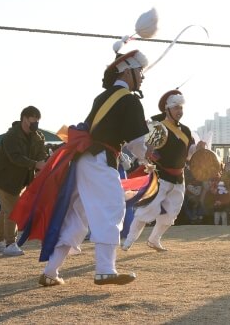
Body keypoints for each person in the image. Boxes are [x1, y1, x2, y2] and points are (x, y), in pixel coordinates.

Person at [14, 49, 151, 287]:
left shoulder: (103, 97)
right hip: (100, 160)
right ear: (127, 72)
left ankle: (51, 271)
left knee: (77, 217)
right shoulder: (129, 100)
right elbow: (138, 143)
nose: (142, 76)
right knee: (111, 207)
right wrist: (149, 157)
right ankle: (105, 270)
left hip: (84, 161)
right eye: (139, 71)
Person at [123, 89, 195, 251]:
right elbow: (147, 150)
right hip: (160, 176)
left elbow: (189, 155)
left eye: (181, 108)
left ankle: (154, 239)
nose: (179, 111)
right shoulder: (157, 126)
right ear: (167, 108)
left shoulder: (186, 130)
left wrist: (197, 151)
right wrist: (149, 153)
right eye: (176, 107)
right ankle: (129, 240)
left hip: (179, 177)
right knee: (147, 209)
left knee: (172, 212)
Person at [0, 106, 48, 255]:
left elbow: (41, 153)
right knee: (13, 210)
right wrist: (35, 164)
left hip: (20, 180)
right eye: (33, 118)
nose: (36, 121)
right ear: (24, 119)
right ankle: (10, 244)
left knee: (5, 210)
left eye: (37, 119)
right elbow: (15, 157)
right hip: (5, 179)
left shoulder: (38, 136)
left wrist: (42, 164)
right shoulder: (11, 136)